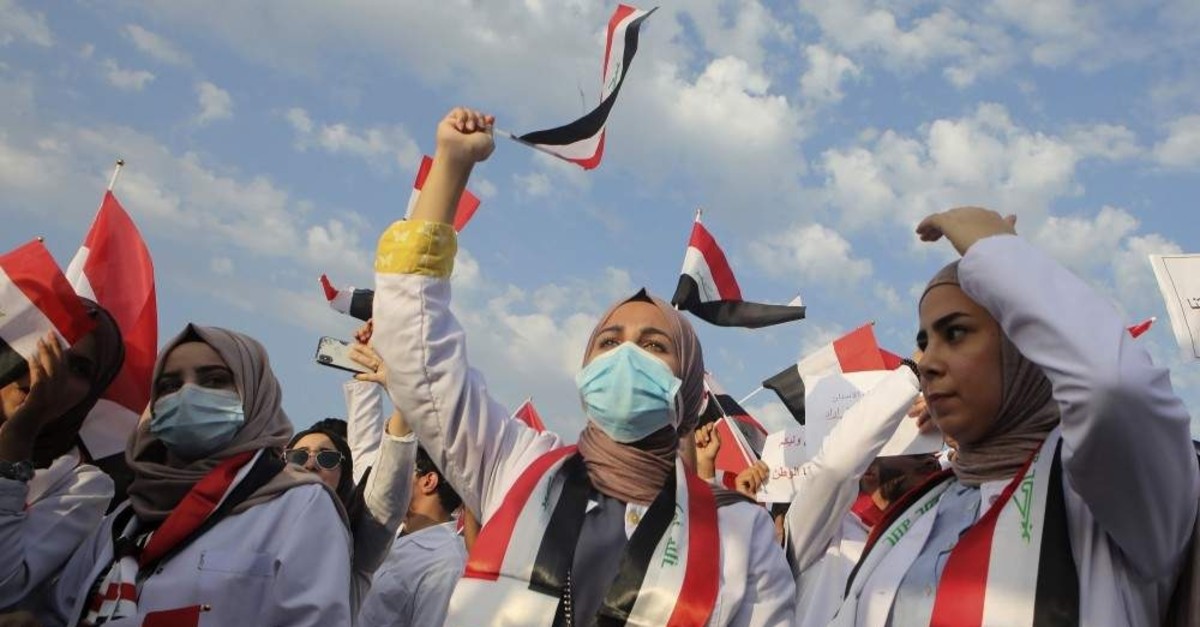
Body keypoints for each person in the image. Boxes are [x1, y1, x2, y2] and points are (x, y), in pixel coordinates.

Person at [370, 106, 795, 626]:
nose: (626, 355)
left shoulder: (737, 530)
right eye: (609, 341)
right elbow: (416, 352)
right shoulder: (516, 464)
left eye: (654, 346)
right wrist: (452, 166)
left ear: (686, 387)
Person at [830, 207, 1200, 626]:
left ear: (1026, 346)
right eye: (923, 340)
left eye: (955, 333)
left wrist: (994, 250)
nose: (927, 362)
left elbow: (1111, 385)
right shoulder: (919, 509)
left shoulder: (1109, 495)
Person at [37, 324, 353, 626]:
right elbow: (59, 611)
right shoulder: (126, 517)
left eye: (214, 380)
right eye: (169, 385)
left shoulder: (300, 507)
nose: (188, 394)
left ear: (256, 394)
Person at [733, 367, 938, 627]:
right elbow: (836, 466)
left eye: (935, 461)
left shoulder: (939, 526)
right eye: (923, 462)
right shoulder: (825, 532)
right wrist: (911, 372)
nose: (935, 468)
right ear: (869, 469)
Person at [0, 299, 123, 613]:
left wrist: (17, 440)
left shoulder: (83, 486)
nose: (48, 371)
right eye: (36, 344)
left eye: (78, 368)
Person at [357, 445, 467, 627]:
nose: (388, 480)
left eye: (399, 471)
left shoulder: (447, 563)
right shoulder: (384, 534)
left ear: (428, 481)